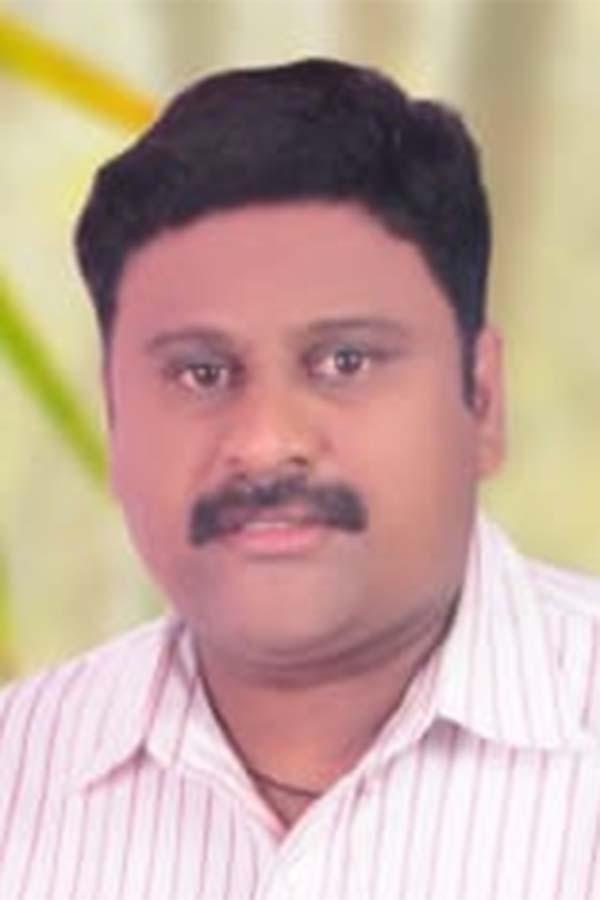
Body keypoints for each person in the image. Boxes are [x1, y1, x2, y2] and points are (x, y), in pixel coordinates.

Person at [1, 57, 599, 900]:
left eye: (345, 361)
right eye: (201, 373)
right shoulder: (17, 775)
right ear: (114, 414)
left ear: (482, 399)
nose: (264, 443)